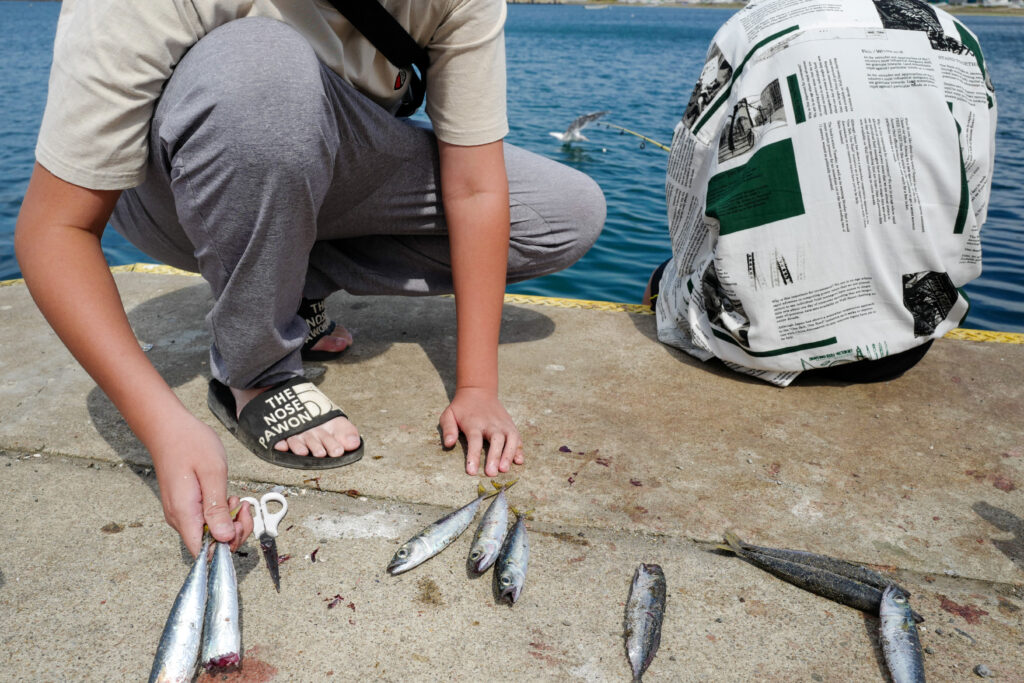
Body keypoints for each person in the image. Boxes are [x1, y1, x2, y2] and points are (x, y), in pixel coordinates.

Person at [14, 0, 605, 557]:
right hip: (179, 188)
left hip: (329, 159)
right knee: (263, 71)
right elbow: (55, 230)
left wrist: (477, 387)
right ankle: (256, 367)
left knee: (561, 216)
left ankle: (289, 281)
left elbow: (476, 187)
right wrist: (163, 425)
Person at [646, 0, 995, 387]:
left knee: (666, 275)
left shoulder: (749, 29)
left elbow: (689, 187)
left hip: (754, 349)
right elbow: (973, 196)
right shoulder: (957, 36)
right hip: (908, 343)